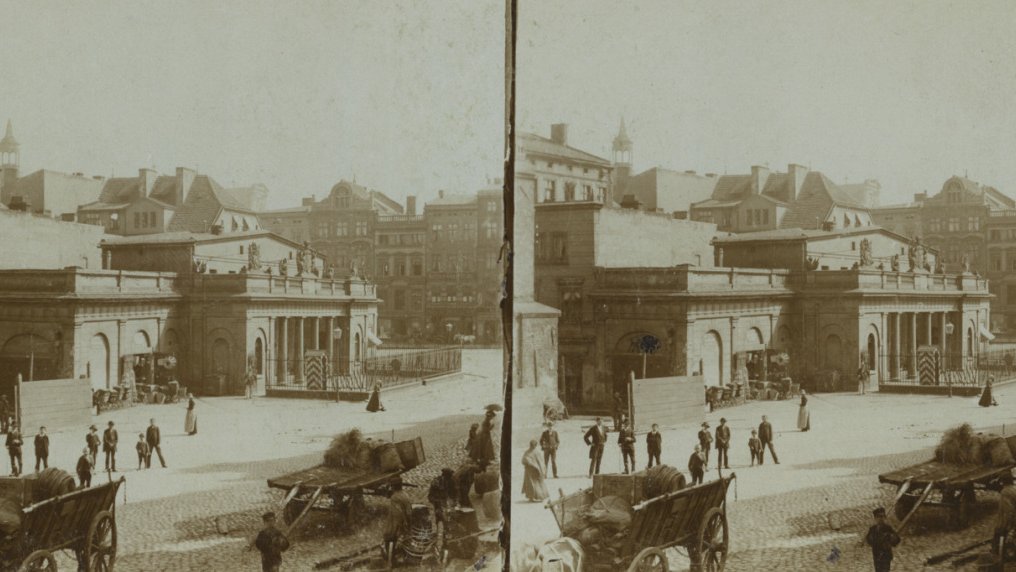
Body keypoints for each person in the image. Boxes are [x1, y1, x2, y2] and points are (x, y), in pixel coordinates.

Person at [383, 482, 413, 567]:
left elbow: (396, 513)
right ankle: (403, 557)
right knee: (404, 538)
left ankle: (392, 561)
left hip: (396, 521)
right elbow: (409, 511)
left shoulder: (394, 497)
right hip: (404, 520)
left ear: (393, 487)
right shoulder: (405, 495)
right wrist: (409, 521)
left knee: (388, 538)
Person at [864, 507, 900, 572]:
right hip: (876, 555)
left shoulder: (888, 528)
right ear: (875, 518)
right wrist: (873, 540)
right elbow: (868, 540)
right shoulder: (872, 529)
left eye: (883, 516)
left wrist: (891, 539)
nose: (881, 518)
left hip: (886, 555)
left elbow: (897, 539)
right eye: (879, 516)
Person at [992, 472, 1016, 561]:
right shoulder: (1014, 489)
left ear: (1002, 482)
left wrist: (1008, 527)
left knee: (998, 536)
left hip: (1009, 522)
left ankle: (998, 557)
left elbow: (1008, 511)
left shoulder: (1005, 493)